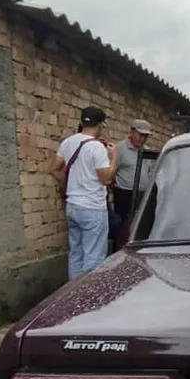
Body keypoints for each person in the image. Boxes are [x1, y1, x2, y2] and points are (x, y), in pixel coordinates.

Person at [50, 106, 118, 280]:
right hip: (92, 208)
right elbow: (106, 179)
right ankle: (90, 293)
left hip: (73, 206)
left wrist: (70, 186)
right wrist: (114, 157)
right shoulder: (97, 147)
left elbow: (54, 169)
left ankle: (73, 291)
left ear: (82, 121)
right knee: (93, 257)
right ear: (101, 125)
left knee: (76, 253)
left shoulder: (68, 143)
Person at [112, 119, 158, 230]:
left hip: (142, 195)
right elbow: (112, 171)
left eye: (145, 136)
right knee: (123, 227)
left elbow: (151, 172)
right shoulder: (119, 149)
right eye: (140, 135)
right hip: (124, 194)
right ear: (132, 132)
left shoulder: (147, 152)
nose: (142, 139)